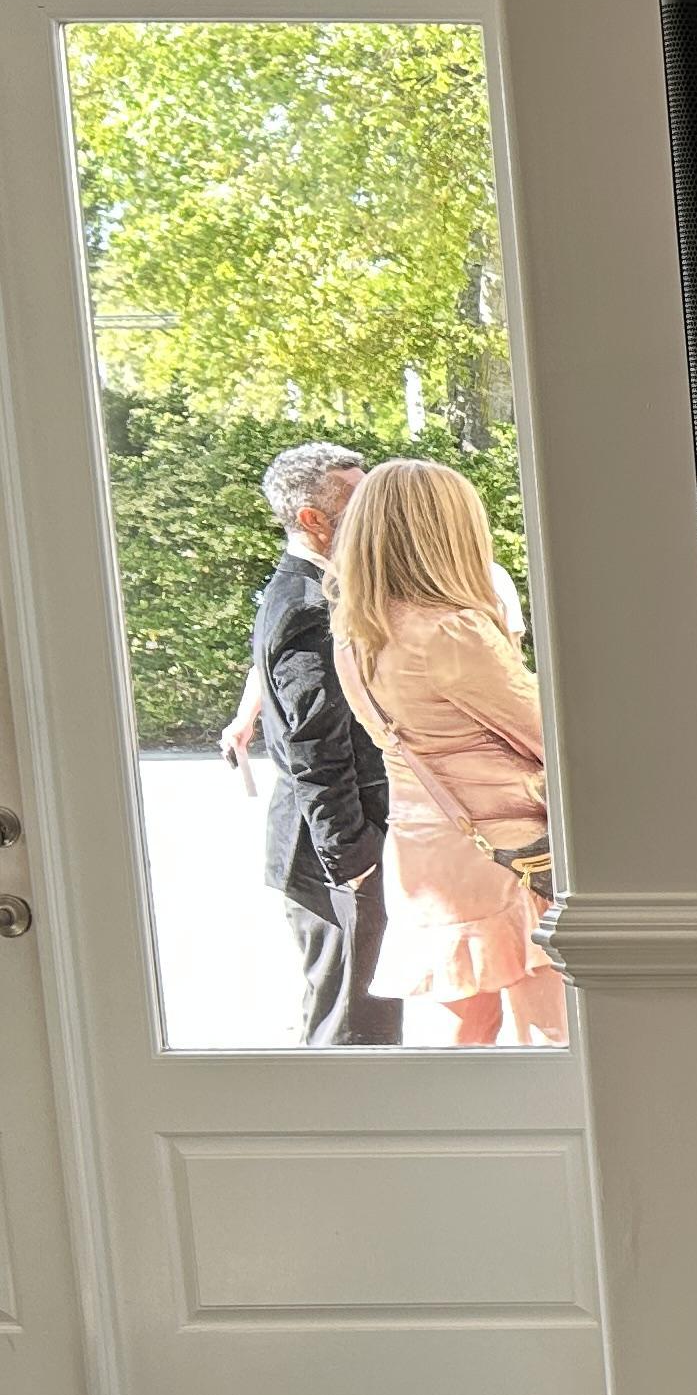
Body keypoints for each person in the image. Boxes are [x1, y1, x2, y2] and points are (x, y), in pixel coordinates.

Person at [327, 459, 566, 1046]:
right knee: (550, 1037)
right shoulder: (452, 632)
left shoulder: (356, 636)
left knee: (461, 1041)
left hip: (424, 853)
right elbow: (552, 737)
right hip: (506, 855)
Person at [240, 442, 404, 1045]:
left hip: (337, 842)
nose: (377, 515)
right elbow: (314, 746)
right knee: (352, 1026)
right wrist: (353, 858)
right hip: (331, 849)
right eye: (359, 502)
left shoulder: (315, 590)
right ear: (313, 519)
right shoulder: (308, 606)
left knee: (363, 1013)